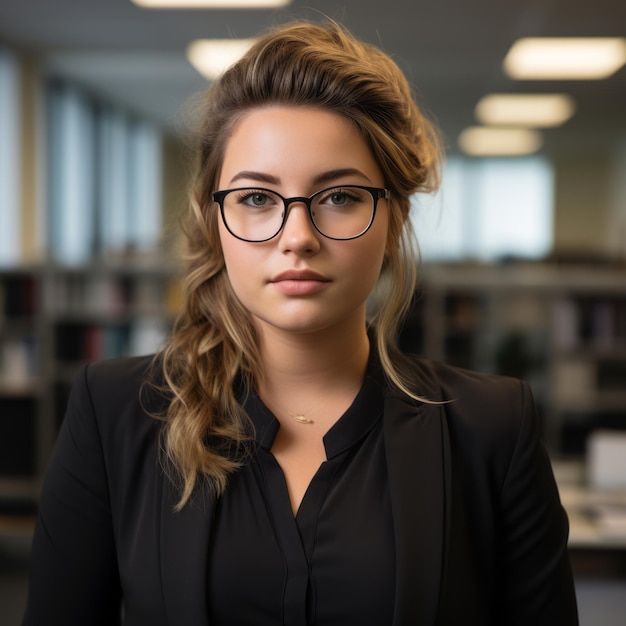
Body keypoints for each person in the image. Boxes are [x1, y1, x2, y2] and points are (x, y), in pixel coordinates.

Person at [23, 20, 578, 626]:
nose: (298, 238)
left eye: (339, 196)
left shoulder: (492, 429)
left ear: (393, 221)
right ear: (215, 222)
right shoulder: (115, 414)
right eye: (257, 198)